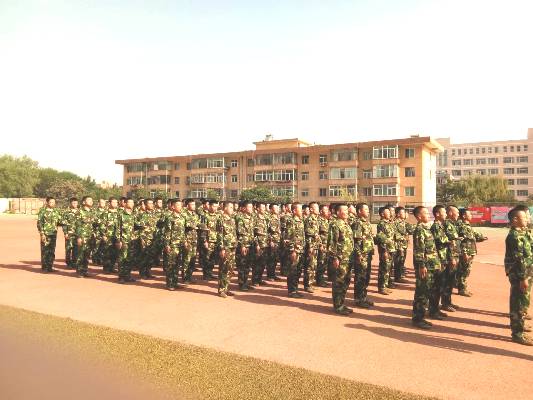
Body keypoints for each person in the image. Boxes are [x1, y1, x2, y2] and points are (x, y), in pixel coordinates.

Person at [504, 207, 533, 346]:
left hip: (526, 272)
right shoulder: (514, 236)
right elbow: (519, 259)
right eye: (524, 217)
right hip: (519, 274)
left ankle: (520, 325)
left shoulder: (522, 233)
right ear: (515, 219)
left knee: (523, 301)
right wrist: (523, 278)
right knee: (518, 303)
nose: (527, 219)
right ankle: (517, 334)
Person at [411, 206, 439, 330]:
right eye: (426, 213)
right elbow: (419, 250)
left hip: (431, 264)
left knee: (426, 291)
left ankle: (421, 317)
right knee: (421, 293)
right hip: (425, 266)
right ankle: (417, 319)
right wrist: (421, 265)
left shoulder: (426, 229)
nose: (428, 215)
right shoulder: (419, 230)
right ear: (419, 216)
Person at [327, 203, 355, 315]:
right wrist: (335, 258)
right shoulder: (335, 224)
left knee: (346, 282)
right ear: (338, 212)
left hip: (348, 258)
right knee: (339, 282)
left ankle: (341, 303)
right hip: (340, 258)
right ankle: (338, 306)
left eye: (347, 210)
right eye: (345, 210)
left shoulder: (346, 224)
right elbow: (332, 243)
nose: (347, 212)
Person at [456, 208, 488, 297]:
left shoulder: (467, 226)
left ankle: (460, 286)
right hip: (466, 253)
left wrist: (481, 238)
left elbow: (471, 238)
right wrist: (464, 253)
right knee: (463, 271)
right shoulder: (463, 226)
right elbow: (462, 241)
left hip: (470, 252)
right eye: (469, 214)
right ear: (464, 216)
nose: (471, 215)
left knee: (465, 271)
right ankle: (462, 289)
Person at [352, 202, 375, 308]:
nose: (368, 211)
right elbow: (356, 241)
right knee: (360, 277)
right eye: (365, 209)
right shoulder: (358, 223)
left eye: (368, 209)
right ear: (359, 211)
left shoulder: (367, 223)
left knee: (366, 277)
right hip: (361, 255)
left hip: (367, 254)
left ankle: (363, 297)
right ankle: (358, 299)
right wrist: (358, 255)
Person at [429, 205, 450, 320]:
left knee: (440, 286)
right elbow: (439, 240)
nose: (446, 214)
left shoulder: (440, 226)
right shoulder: (436, 226)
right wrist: (451, 240)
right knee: (436, 287)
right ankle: (433, 311)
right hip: (438, 259)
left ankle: (436, 309)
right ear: (437, 214)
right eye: (444, 212)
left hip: (442, 258)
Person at [162, 198, 185, 290]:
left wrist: (184, 241)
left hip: (180, 244)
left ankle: (175, 282)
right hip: (172, 244)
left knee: (177, 265)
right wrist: (167, 244)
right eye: (178, 205)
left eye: (181, 205)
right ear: (173, 207)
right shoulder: (170, 218)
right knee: (171, 264)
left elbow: (183, 232)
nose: (180, 207)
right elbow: (167, 232)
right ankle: (170, 284)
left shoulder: (182, 217)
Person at [442, 205, 462, 312]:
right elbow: (449, 243)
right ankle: (445, 303)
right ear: (450, 213)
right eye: (457, 212)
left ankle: (448, 302)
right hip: (450, 257)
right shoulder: (447, 224)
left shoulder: (452, 224)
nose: (458, 214)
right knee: (447, 281)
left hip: (454, 256)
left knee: (450, 281)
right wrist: (451, 258)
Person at [216, 201, 238, 297]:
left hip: (232, 247)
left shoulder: (232, 219)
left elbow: (234, 233)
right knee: (223, 269)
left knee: (230, 269)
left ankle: (226, 288)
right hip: (225, 247)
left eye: (233, 207)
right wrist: (222, 248)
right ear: (225, 208)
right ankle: (221, 290)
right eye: (231, 207)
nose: (232, 209)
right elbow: (219, 235)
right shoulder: (221, 219)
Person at [285, 203, 306, 297]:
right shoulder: (291, 221)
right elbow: (289, 237)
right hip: (294, 250)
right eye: (300, 209)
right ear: (294, 211)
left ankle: (295, 289)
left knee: (298, 271)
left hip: (300, 250)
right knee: (292, 271)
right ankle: (292, 291)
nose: (302, 211)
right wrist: (292, 250)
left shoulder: (300, 221)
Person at [37, 197, 62, 273]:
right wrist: (42, 234)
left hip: (53, 233)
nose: (53, 203)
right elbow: (39, 223)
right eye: (51, 202)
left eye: (54, 202)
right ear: (47, 202)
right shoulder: (43, 211)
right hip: (46, 234)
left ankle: (50, 266)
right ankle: (45, 267)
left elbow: (60, 221)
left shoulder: (56, 211)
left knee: (52, 250)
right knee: (45, 251)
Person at [116, 198, 136, 283]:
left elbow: (135, 227)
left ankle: (127, 275)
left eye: (133, 202)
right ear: (125, 204)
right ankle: (121, 277)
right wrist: (118, 240)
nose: (131, 204)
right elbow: (117, 228)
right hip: (123, 240)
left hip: (131, 240)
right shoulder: (121, 214)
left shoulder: (133, 215)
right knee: (122, 259)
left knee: (129, 259)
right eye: (130, 202)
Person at [375, 206, 395, 295]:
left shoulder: (389, 223)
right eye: (388, 212)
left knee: (388, 268)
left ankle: (385, 285)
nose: (390, 213)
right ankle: (382, 287)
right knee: (384, 268)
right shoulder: (382, 224)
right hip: (385, 249)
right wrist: (384, 251)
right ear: (382, 214)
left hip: (391, 248)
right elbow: (381, 238)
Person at [74, 196, 96, 277]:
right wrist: (79, 237)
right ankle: (79, 271)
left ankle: (85, 270)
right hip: (82, 236)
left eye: (92, 200)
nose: (91, 201)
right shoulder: (79, 212)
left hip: (90, 237)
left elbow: (94, 224)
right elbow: (77, 225)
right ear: (83, 202)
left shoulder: (92, 212)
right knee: (81, 254)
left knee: (87, 254)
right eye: (89, 200)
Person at [236, 200, 255, 291]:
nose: (251, 209)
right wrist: (242, 245)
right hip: (243, 246)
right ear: (244, 208)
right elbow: (240, 233)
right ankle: (241, 284)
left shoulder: (251, 218)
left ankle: (245, 283)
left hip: (250, 245)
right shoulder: (240, 218)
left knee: (248, 266)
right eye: (249, 207)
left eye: (252, 207)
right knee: (242, 266)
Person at [303, 201, 321, 293]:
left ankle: (310, 283)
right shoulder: (309, 219)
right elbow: (308, 233)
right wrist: (310, 246)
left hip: (315, 245)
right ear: (311, 209)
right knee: (309, 266)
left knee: (313, 265)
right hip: (311, 246)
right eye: (316, 208)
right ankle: (307, 285)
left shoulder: (315, 219)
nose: (318, 209)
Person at [393, 206, 414, 283]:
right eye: (403, 212)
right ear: (398, 214)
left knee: (401, 261)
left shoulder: (404, 222)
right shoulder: (395, 222)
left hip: (404, 245)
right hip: (399, 245)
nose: (405, 214)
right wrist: (404, 238)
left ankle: (399, 276)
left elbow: (411, 231)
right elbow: (395, 235)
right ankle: (397, 277)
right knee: (398, 261)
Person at [100, 197, 120, 273]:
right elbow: (102, 225)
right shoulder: (105, 213)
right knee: (107, 252)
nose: (115, 204)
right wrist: (103, 235)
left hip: (116, 236)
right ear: (109, 203)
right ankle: (106, 268)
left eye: (116, 202)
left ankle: (112, 267)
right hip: (108, 236)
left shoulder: (119, 213)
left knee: (115, 253)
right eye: (113, 202)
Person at [61, 197, 79, 268]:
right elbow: (64, 224)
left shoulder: (80, 211)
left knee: (76, 249)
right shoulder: (66, 212)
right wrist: (65, 233)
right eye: (73, 203)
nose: (75, 204)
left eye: (76, 203)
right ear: (70, 203)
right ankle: (68, 263)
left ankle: (74, 263)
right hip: (69, 233)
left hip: (77, 234)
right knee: (68, 248)